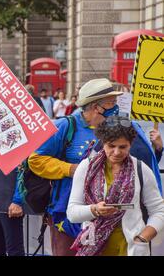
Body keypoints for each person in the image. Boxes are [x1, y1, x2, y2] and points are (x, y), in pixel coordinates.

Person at [26, 78, 163, 256]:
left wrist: (157, 148)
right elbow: (35, 160)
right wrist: (72, 169)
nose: (116, 107)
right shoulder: (66, 126)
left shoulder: (125, 126)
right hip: (69, 217)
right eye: (111, 103)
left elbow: (143, 160)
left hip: (120, 223)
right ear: (95, 106)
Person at [67, 116, 164, 256]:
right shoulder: (86, 168)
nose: (117, 152)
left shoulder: (141, 170)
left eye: (123, 147)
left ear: (131, 144)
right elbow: (72, 213)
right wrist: (94, 210)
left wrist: (143, 238)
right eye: (111, 146)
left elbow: (159, 211)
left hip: (131, 249)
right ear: (103, 142)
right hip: (94, 247)